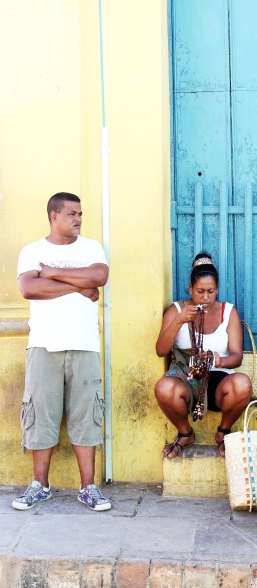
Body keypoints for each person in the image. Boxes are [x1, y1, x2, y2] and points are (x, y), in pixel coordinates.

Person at [12, 192, 111, 511]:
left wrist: (52, 273)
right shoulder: (33, 251)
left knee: (87, 415)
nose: (79, 219)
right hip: (44, 345)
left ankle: (88, 487)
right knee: (40, 415)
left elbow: (99, 276)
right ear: (54, 216)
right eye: (72, 214)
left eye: (80, 213)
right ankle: (39, 485)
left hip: (85, 345)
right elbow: (29, 287)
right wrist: (79, 287)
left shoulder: (91, 248)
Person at [154, 252, 252, 457]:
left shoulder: (229, 312)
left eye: (211, 291)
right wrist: (179, 321)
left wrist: (219, 360)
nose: (206, 297)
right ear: (190, 289)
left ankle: (223, 432)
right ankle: (185, 433)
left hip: (218, 380)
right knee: (163, 387)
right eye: (200, 291)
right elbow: (161, 350)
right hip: (187, 378)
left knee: (243, 384)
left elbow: (237, 357)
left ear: (217, 289)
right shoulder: (176, 310)